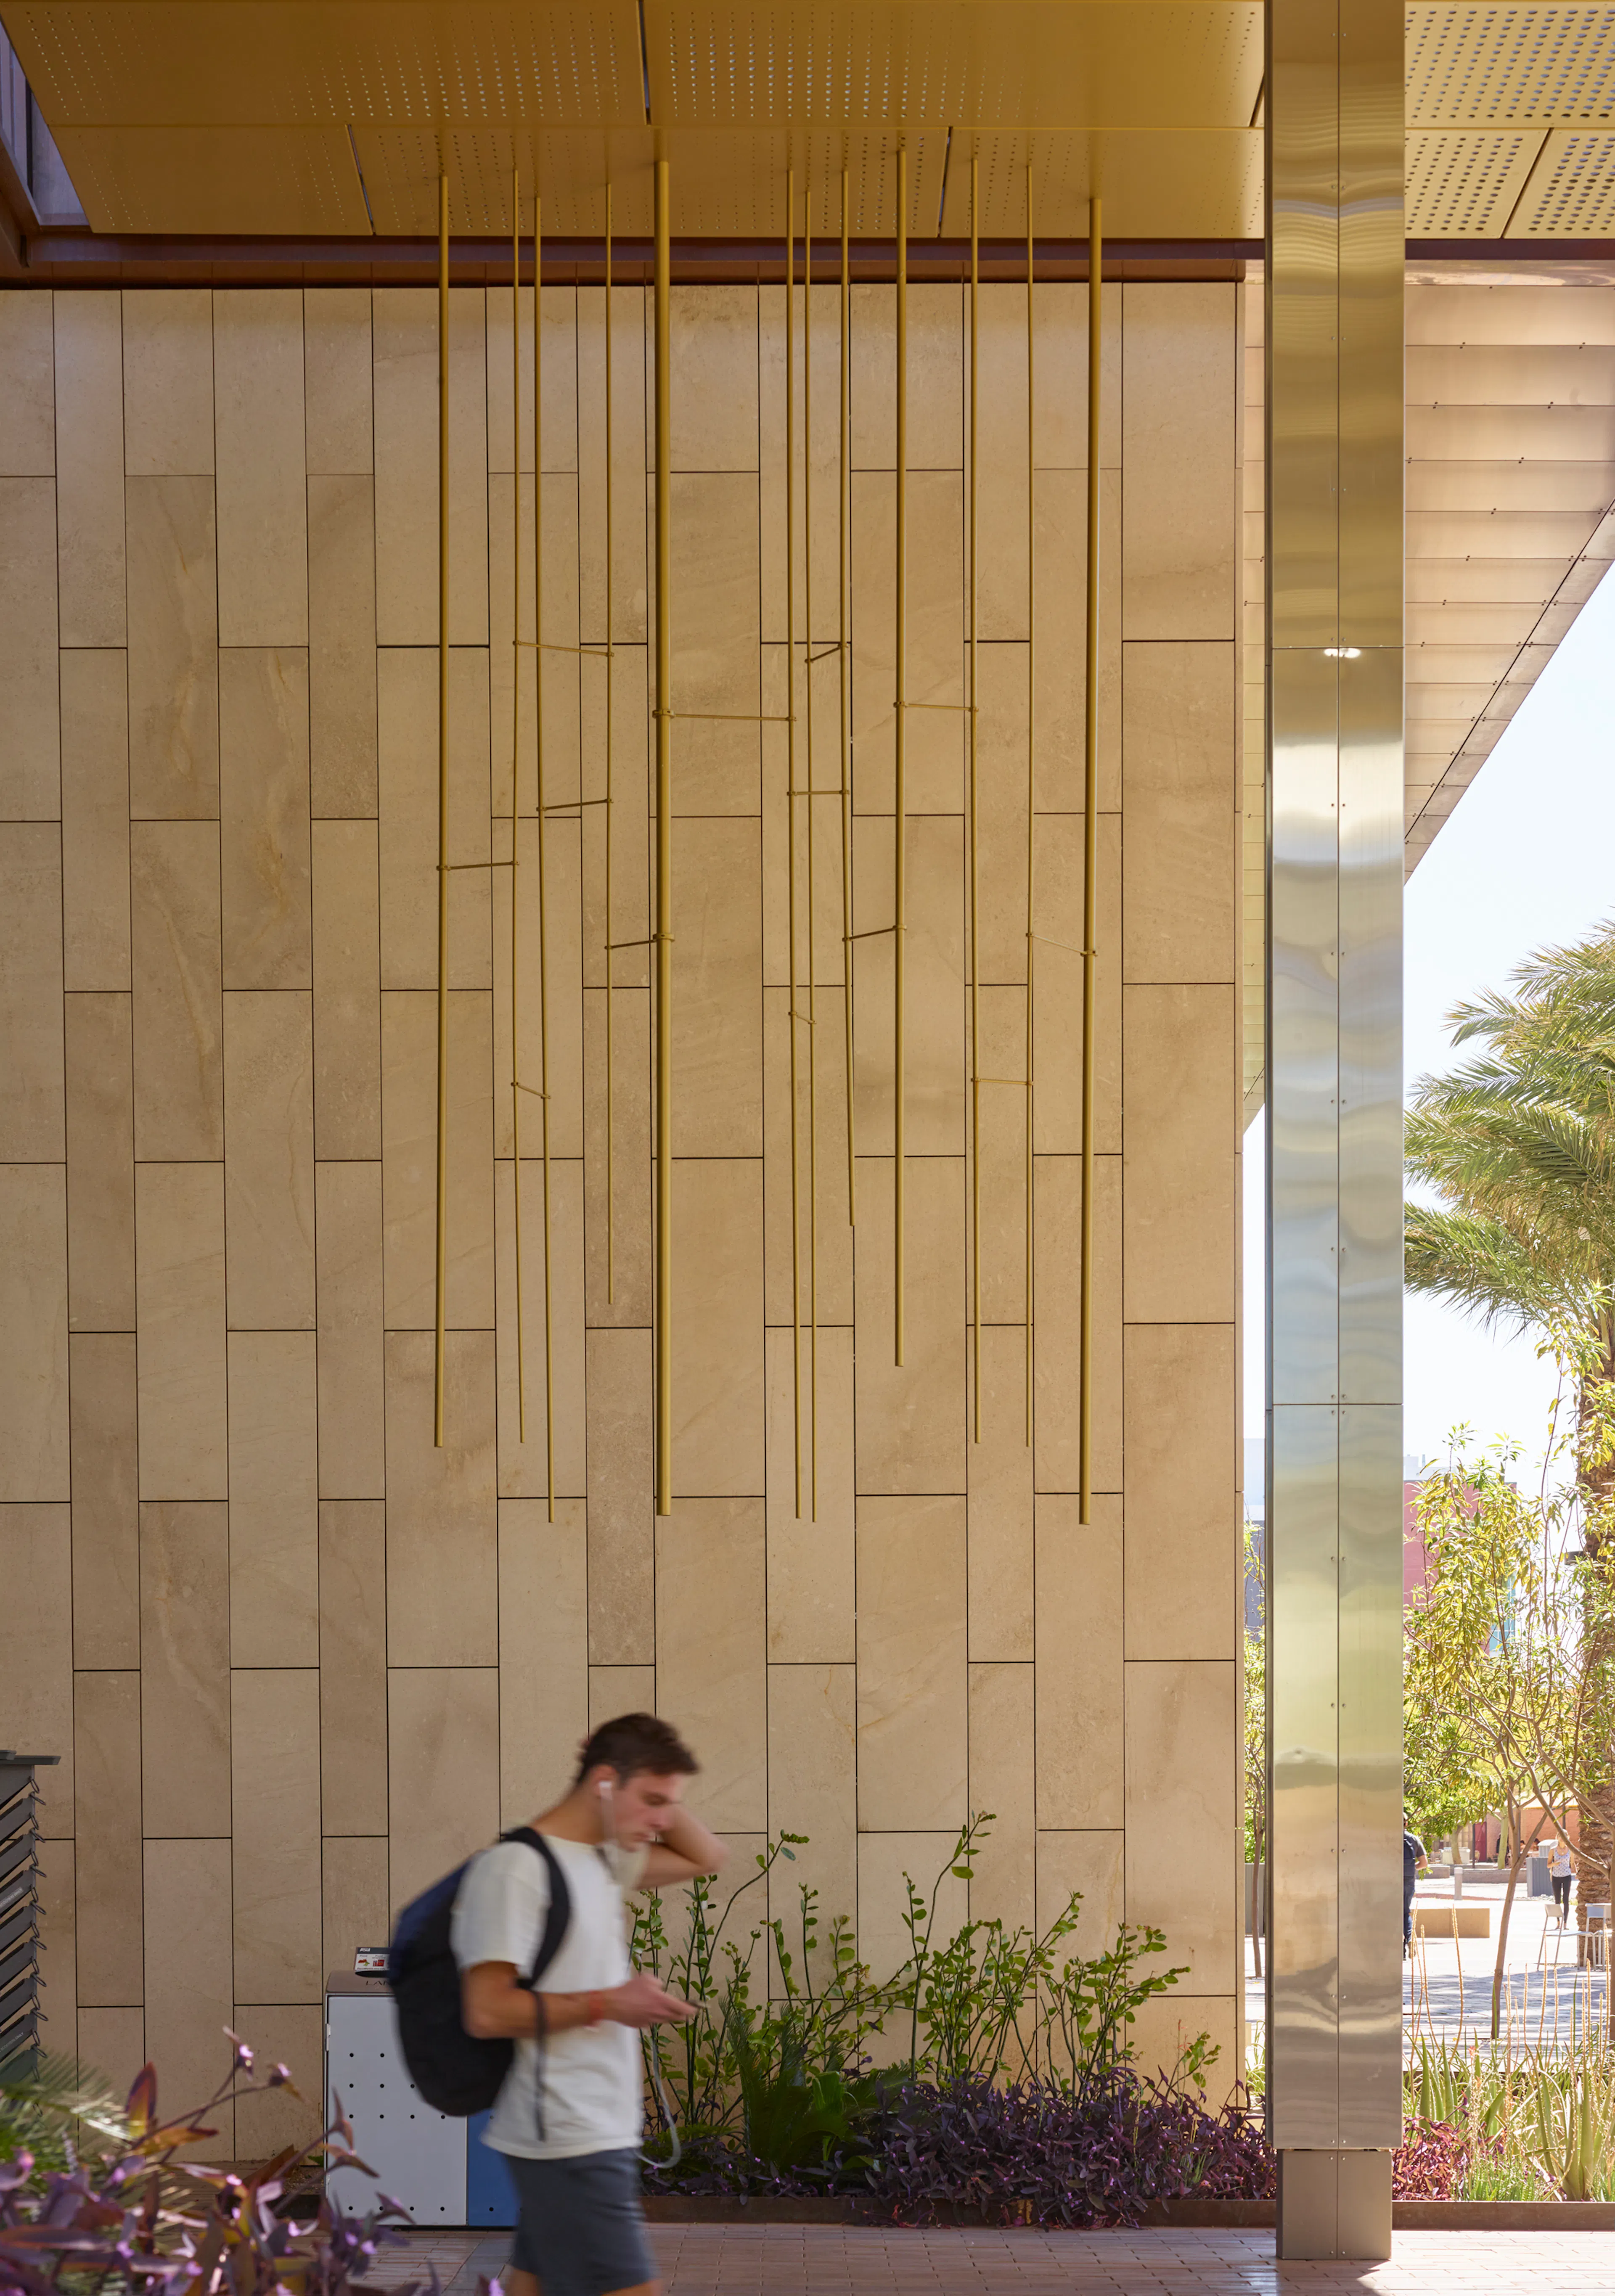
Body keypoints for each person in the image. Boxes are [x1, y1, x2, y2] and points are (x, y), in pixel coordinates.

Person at [453, 1713, 727, 2296]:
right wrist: (612, 2003)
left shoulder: (603, 1860)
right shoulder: (518, 1870)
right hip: (567, 2135)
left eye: (669, 1804)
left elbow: (707, 1857)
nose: (660, 1822)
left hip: (595, 2127)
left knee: (531, 2285)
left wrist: (642, 1780)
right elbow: (487, 2010)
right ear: (605, 1783)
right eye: (651, 1799)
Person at [1403, 1822, 1426, 1956]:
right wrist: (1412, 1869)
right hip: (1409, 1881)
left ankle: (1401, 1949)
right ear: (1406, 1823)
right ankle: (1410, 1940)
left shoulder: (1387, 1837)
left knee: (1394, 1914)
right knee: (1406, 1913)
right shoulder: (1414, 1839)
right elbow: (1424, 1864)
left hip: (1392, 1881)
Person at [1550, 1836, 1575, 1926]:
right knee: (1557, 1900)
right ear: (1557, 1837)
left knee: (1566, 1899)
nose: (1562, 1838)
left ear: (1567, 1837)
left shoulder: (1570, 1850)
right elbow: (1548, 1865)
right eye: (1560, 1836)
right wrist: (1554, 1864)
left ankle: (1565, 1922)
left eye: (1564, 1836)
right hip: (1556, 1877)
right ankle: (1558, 1922)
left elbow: (1572, 1863)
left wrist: (1577, 1873)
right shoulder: (1553, 1850)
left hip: (1567, 1877)